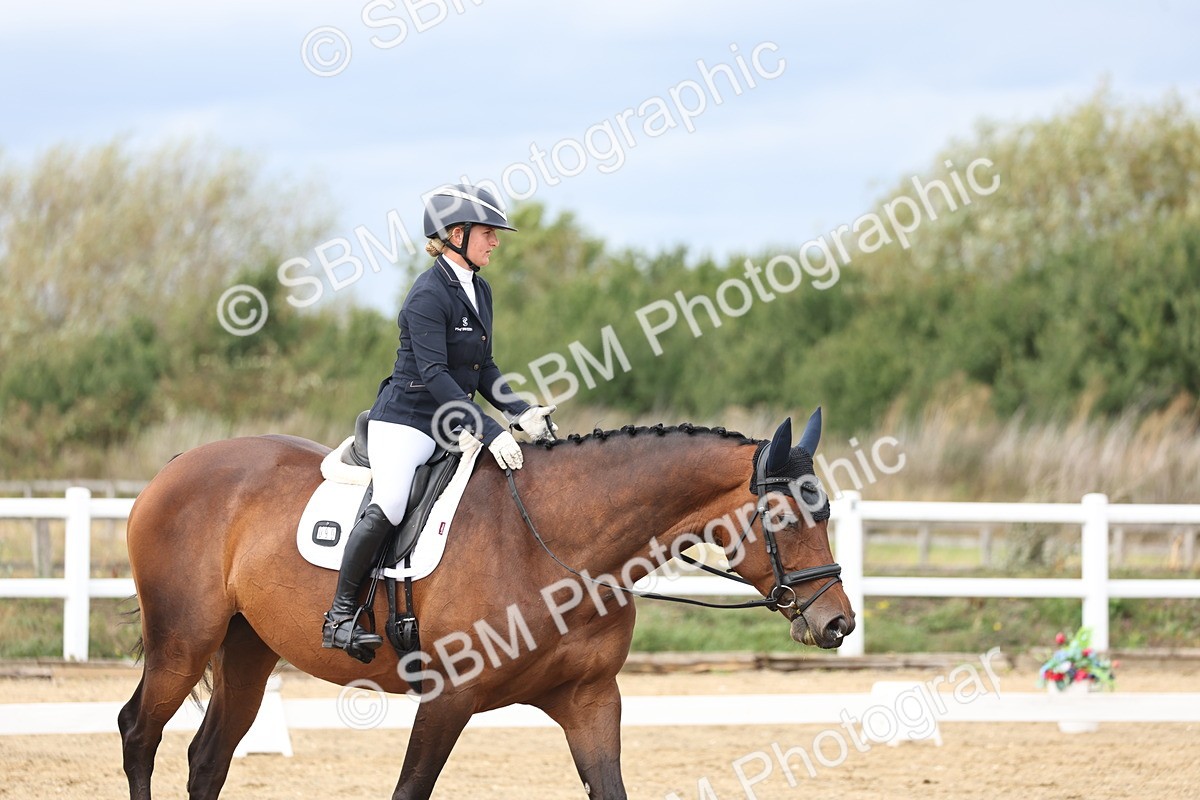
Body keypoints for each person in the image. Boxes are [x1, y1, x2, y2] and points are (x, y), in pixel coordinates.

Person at [322, 184, 558, 663]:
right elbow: (434, 375)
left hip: (450, 424)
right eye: (488, 234)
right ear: (456, 234)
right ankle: (340, 615)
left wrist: (519, 411)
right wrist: (490, 430)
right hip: (406, 422)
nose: (496, 242)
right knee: (391, 502)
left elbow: (483, 368)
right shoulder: (427, 295)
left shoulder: (480, 289)